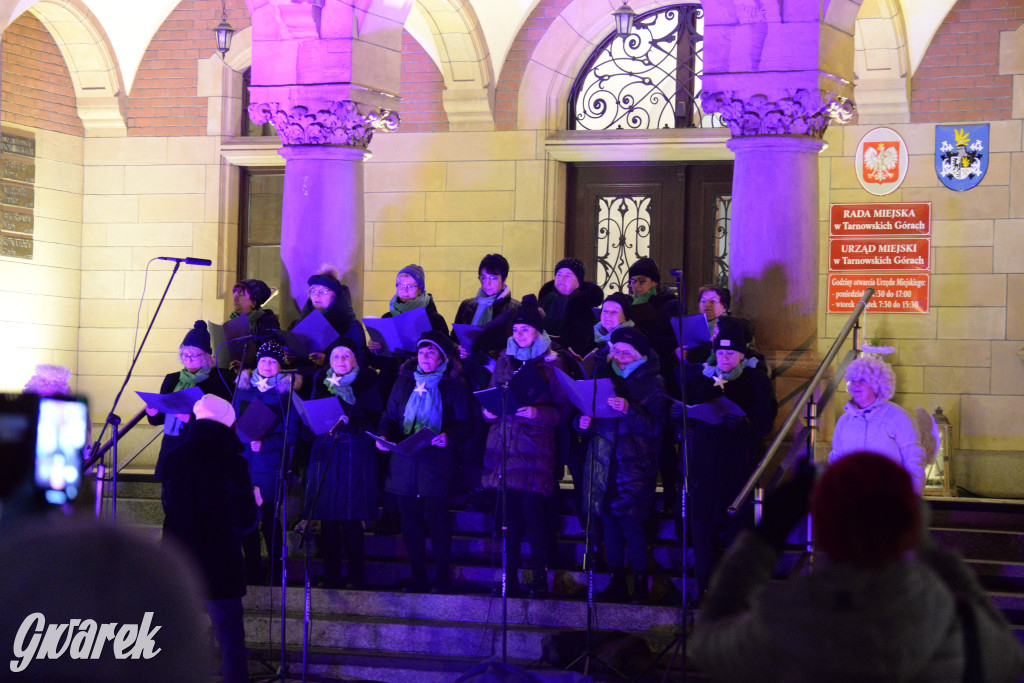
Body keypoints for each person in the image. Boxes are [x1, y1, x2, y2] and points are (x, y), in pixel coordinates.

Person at [690, 452, 1024, 682]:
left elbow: (707, 641)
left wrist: (767, 535)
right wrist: (929, 550)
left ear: (822, 525)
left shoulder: (782, 622)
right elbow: (1010, 659)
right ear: (912, 521)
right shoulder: (961, 625)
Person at [160, 394, 259, 683]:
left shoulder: (174, 457)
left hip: (179, 558)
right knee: (230, 638)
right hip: (220, 562)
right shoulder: (232, 462)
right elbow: (243, 521)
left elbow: (170, 507)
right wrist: (256, 505)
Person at [480, 297, 569, 598]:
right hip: (503, 449)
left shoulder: (552, 363)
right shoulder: (505, 360)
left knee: (534, 519)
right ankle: (511, 579)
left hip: (533, 451)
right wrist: (488, 413)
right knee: (509, 522)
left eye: (525, 330)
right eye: (515, 330)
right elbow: (491, 396)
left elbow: (564, 409)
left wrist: (538, 413)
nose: (519, 335)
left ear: (537, 332)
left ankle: (540, 579)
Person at [684, 317, 777, 594]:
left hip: (737, 468)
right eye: (721, 353)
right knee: (703, 535)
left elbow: (765, 420)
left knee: (737, 534)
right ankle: (704, 592)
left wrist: (745, 424)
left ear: (741, 355)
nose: (725, 358)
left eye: (731, 354)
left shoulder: (755, 380)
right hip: (704, 467)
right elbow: (690, 403)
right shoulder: (703, 376)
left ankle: (736, 594)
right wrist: (683, 413)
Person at [376, 330, 471, 593]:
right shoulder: (404, 381)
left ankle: (443, 578)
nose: (425, 356)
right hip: (405, 461)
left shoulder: (454, 384)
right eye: (421, 351)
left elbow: (467, 424)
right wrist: (384, 435)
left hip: (436, 462)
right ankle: (417, 575)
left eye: (431, 352)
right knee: (410, 524)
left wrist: (448, 437)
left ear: (442, 358)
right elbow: (390, 416)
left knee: (438, 522)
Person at [576, 327, 665, 604]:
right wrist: (582, 423)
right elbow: (587, 410)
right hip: (603, 462)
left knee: (631, 524)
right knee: (608, 523)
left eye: (627, 353)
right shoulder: (602, 375)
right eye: (616, 351)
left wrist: (629, 409)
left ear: (640, 355)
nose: (620, 357)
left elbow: (656, 427)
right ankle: (615, 579)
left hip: (634, 466)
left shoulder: (654, 382)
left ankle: (640, 582)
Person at [298, 338, 383, 589]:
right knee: (327, 519)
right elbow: (311, 412)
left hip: (353, 454)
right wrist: (308, 427)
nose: (340, 362)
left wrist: (353, 420)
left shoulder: (366, 380)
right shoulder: (320, 381)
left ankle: (357, 576)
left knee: (350, 517)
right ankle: (331, 574)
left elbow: (376, 417)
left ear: (355, 360)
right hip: (325, 451)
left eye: (346, 357)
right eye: (336, 357)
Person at [235, 339, 299, 583]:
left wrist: (266, 444)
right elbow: (230, 422)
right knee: (246, 520)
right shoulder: (242, 390)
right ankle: (252, 569)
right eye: (264, 361)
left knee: (269, 519)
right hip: (243, 463)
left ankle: (274, 570)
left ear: (280, 367)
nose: (268, 365)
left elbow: (290, 434)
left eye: (273, 362)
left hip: (268, 465)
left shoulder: (286, 395)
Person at [146, 321, 231, 481]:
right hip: (172, 446)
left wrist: (189, 419)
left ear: (206, 356)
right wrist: (153, 413)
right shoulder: (172, 380)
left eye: (195, 354)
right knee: (169, 497)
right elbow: (159, 419)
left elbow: (221, 419)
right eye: (185, 354)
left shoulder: (218, 380)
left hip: (200, 448)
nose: (189, 359)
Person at [828, 354, 926, 493]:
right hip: (851, 504)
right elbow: (835, 463)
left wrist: (909, 499)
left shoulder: (897, 417)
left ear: (876, 384)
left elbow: (914, 460)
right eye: (852, 380)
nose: (856, 385)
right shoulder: (844, 421)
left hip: (888, 503)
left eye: (862, 380)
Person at [536, 257, 604, 358]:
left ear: (578, 282)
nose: (561, 279)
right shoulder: (544, 302)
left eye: (568, 276)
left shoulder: (584, 308)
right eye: (559, 275)